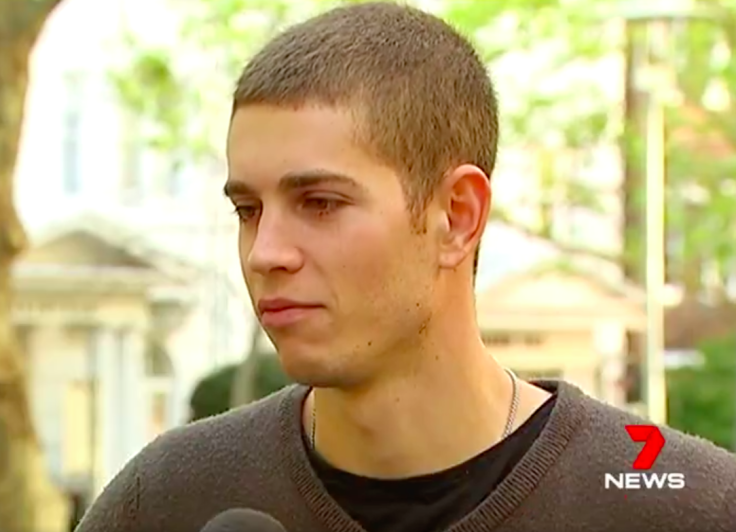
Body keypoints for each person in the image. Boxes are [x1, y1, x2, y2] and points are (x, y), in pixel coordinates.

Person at [77, 3, 736, 531]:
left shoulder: (682, 505)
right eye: (248, 209)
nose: (265, 251)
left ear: (457, 216)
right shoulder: (169, 500)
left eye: (320, 203)